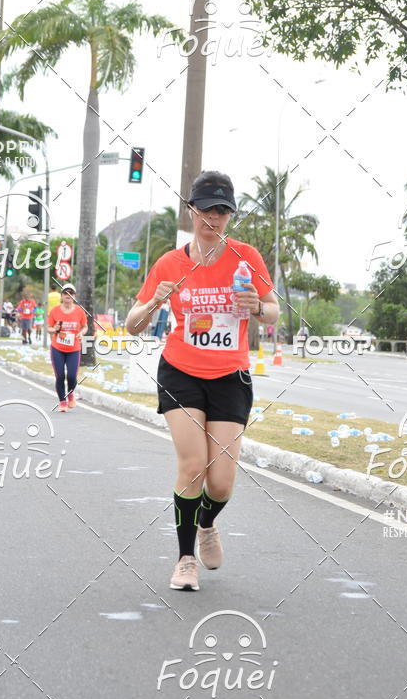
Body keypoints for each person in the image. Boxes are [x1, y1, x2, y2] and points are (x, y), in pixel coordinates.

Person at [126, 170, 279, 592]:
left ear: (230, 215)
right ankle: (185, 558)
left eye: (222, 211)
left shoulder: (246, 258)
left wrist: (256, 308)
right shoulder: (169, 263)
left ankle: (207, 523)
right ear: (191, 209)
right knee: (192, 465)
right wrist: (155, 302)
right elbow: (132, 325)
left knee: (222, 482)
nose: (213, 218)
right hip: (180, 372)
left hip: (231, 376)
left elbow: (271, 311)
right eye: (206, 209)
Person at [47, 284, 88, 412]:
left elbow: (85, 326)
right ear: (62, 296)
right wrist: (54, 329)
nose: (68, 295)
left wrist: (81, 333)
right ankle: (62, 402)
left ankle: (70, 394)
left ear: (74, 296)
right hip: (57, 348)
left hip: (74, 349)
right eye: (65, 293)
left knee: (71, 376)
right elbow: (48, 328)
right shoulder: (55, 311)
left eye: (71, 293)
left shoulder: (79, 311)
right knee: (59, 376)